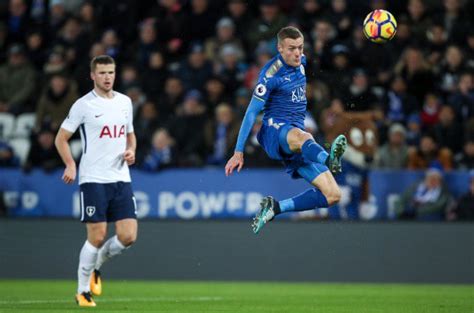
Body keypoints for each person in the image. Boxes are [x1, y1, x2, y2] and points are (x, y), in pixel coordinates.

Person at [225, 26, 347, 234]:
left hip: (297, 140)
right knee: (304, 136)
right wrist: (238, 151)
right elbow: (250, 113)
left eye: (300, 47)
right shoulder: (270, 75)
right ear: (280, 48)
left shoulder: (302, 62)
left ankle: (276, 208)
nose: (298, 53)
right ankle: (329, 159)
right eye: (291, 48)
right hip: (274, 133)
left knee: (333, 195)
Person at [55, 55, 137, 307]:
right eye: (102, 73)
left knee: (128, 236)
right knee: (97, 235)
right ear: (92, 75)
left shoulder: (125, 102)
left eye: (110, 72)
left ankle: (96, 265)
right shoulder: (83, 105)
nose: (107, 77)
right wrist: (71, 164)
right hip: (93, 179)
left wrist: (132, 151)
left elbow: (130, 136)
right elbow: (60, 138)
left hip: (121, 177)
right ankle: (82, 291)